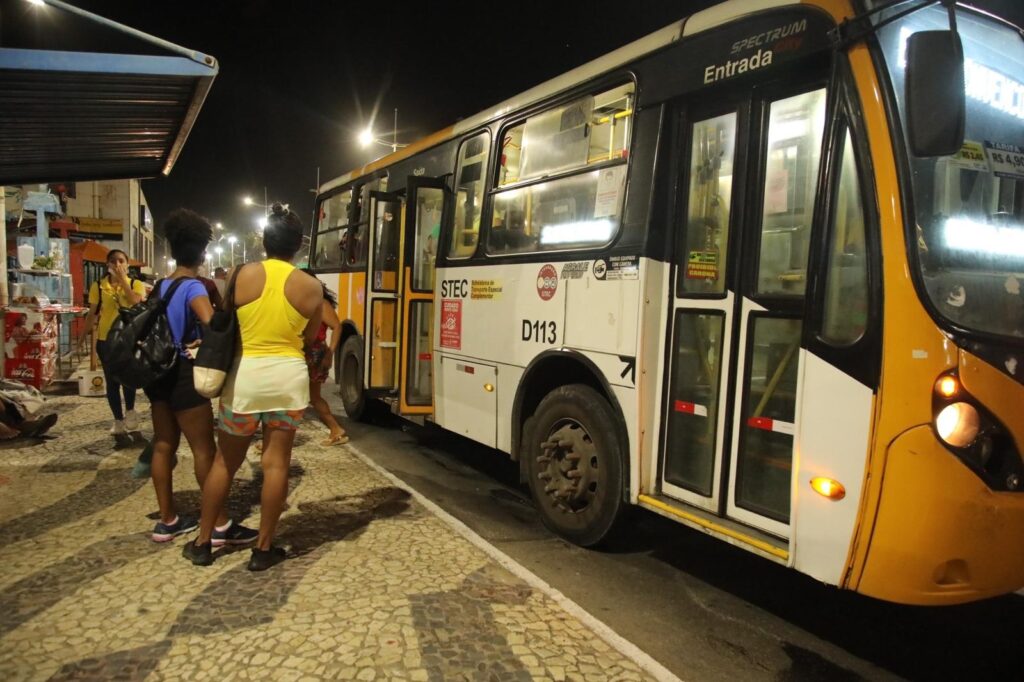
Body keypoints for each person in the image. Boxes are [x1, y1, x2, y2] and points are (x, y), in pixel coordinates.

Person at [185, 203, 323, 571]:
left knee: (225, 462)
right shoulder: (312, 287)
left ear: (264, 241)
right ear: (298, 244)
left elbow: (225, 319)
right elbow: (310, 338)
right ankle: (263, 550)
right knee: (276, 465)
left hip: (244, 379)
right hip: (288, 381)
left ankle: (202, 543)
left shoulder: (239, 274)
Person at [145, 209, 258, 546]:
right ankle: (220, 523)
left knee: (163, 444)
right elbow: (213, 324)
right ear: (201, 252)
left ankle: (167, 520)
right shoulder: (192, 286)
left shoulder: (161, 285)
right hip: (182, 373)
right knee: (204, 450)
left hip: (157, 373)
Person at [86, 249, 145, 435]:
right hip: (106, 340)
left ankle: (130, 411)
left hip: (128, 339)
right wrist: (84, 335)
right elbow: (92, 312)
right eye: (113, 261)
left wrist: (122, 281)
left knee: (128, 378)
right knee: (112, 382)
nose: (117, 264)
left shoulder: (136, 284)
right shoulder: (98, 285)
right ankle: (118, 420)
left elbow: (136, 302)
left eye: (121, 261)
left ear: (127, 264)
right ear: (108, 265)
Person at [306, 281, 348, 445]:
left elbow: (337, 326)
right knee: (311, 397)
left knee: (310, 396)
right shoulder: (307, 301)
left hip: (314, 353)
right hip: (307, 352)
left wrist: (330, 352)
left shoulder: (321, 304)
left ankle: (336, 429)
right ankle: (336, 429)